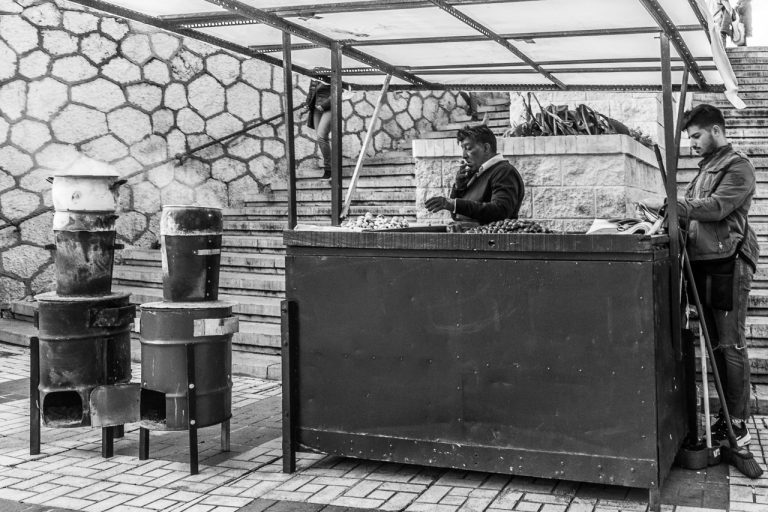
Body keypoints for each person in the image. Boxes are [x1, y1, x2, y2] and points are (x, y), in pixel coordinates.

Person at [678, 103, 759, 447]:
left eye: (696, 136)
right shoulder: (704, 169)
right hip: (705, 262)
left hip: (731, 261)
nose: (692, 144)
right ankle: (724, 416)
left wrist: (676, 206)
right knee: (714, 346)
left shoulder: (739, 165)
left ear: (715, 130)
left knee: (730, 344)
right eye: (689, 138)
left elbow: (717, 207)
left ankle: (737, 421)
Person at [425, 124, 524, 224]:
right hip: (468, 233)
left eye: (468, 148)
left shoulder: (504, 172)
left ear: (486, 148)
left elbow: (501, 211)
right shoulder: (475, 172)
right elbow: (457, 216)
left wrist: (453, 204)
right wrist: (458, 189)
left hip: (490, 234)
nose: (464, 155)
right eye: (463, 149)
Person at [305, 78, 332, 179]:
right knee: (320, 139)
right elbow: (312, 90)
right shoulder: (314, 74)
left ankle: (329, 168)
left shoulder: (331, 71)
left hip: (329, 107)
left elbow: (338, 91)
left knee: (321, 136)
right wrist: (307, 104)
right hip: (317, 109)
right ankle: (330, 165)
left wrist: (324, 105)